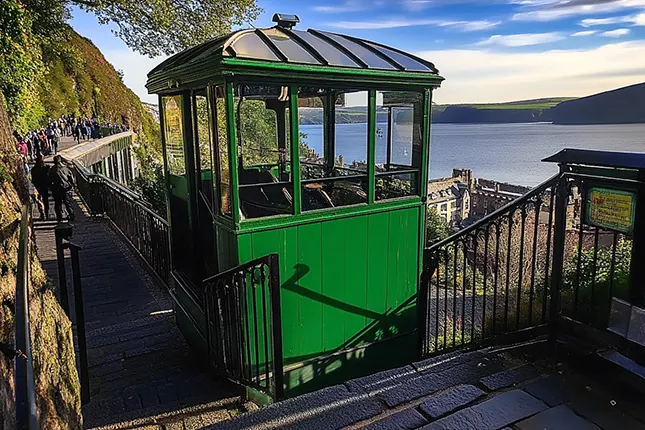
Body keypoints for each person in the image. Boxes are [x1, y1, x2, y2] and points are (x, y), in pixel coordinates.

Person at [49, 155, 75, 222]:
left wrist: (51, 188)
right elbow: (71, 177)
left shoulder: (52, 170)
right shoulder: (65, 168)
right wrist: (72, 185)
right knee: (67, 203)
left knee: (58, 204)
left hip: (56, 189)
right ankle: (71, 215)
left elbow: (50, 180)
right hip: (66, 188)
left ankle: (59, 217)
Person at [31, 154, 50, 220]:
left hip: (38, 187)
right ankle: (47, 214)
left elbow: (33, 180)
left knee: (39, 201)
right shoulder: (46, 168)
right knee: (46, 201)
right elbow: (48, 177)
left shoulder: (33, 169)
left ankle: (42, 214)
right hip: (45, 187)